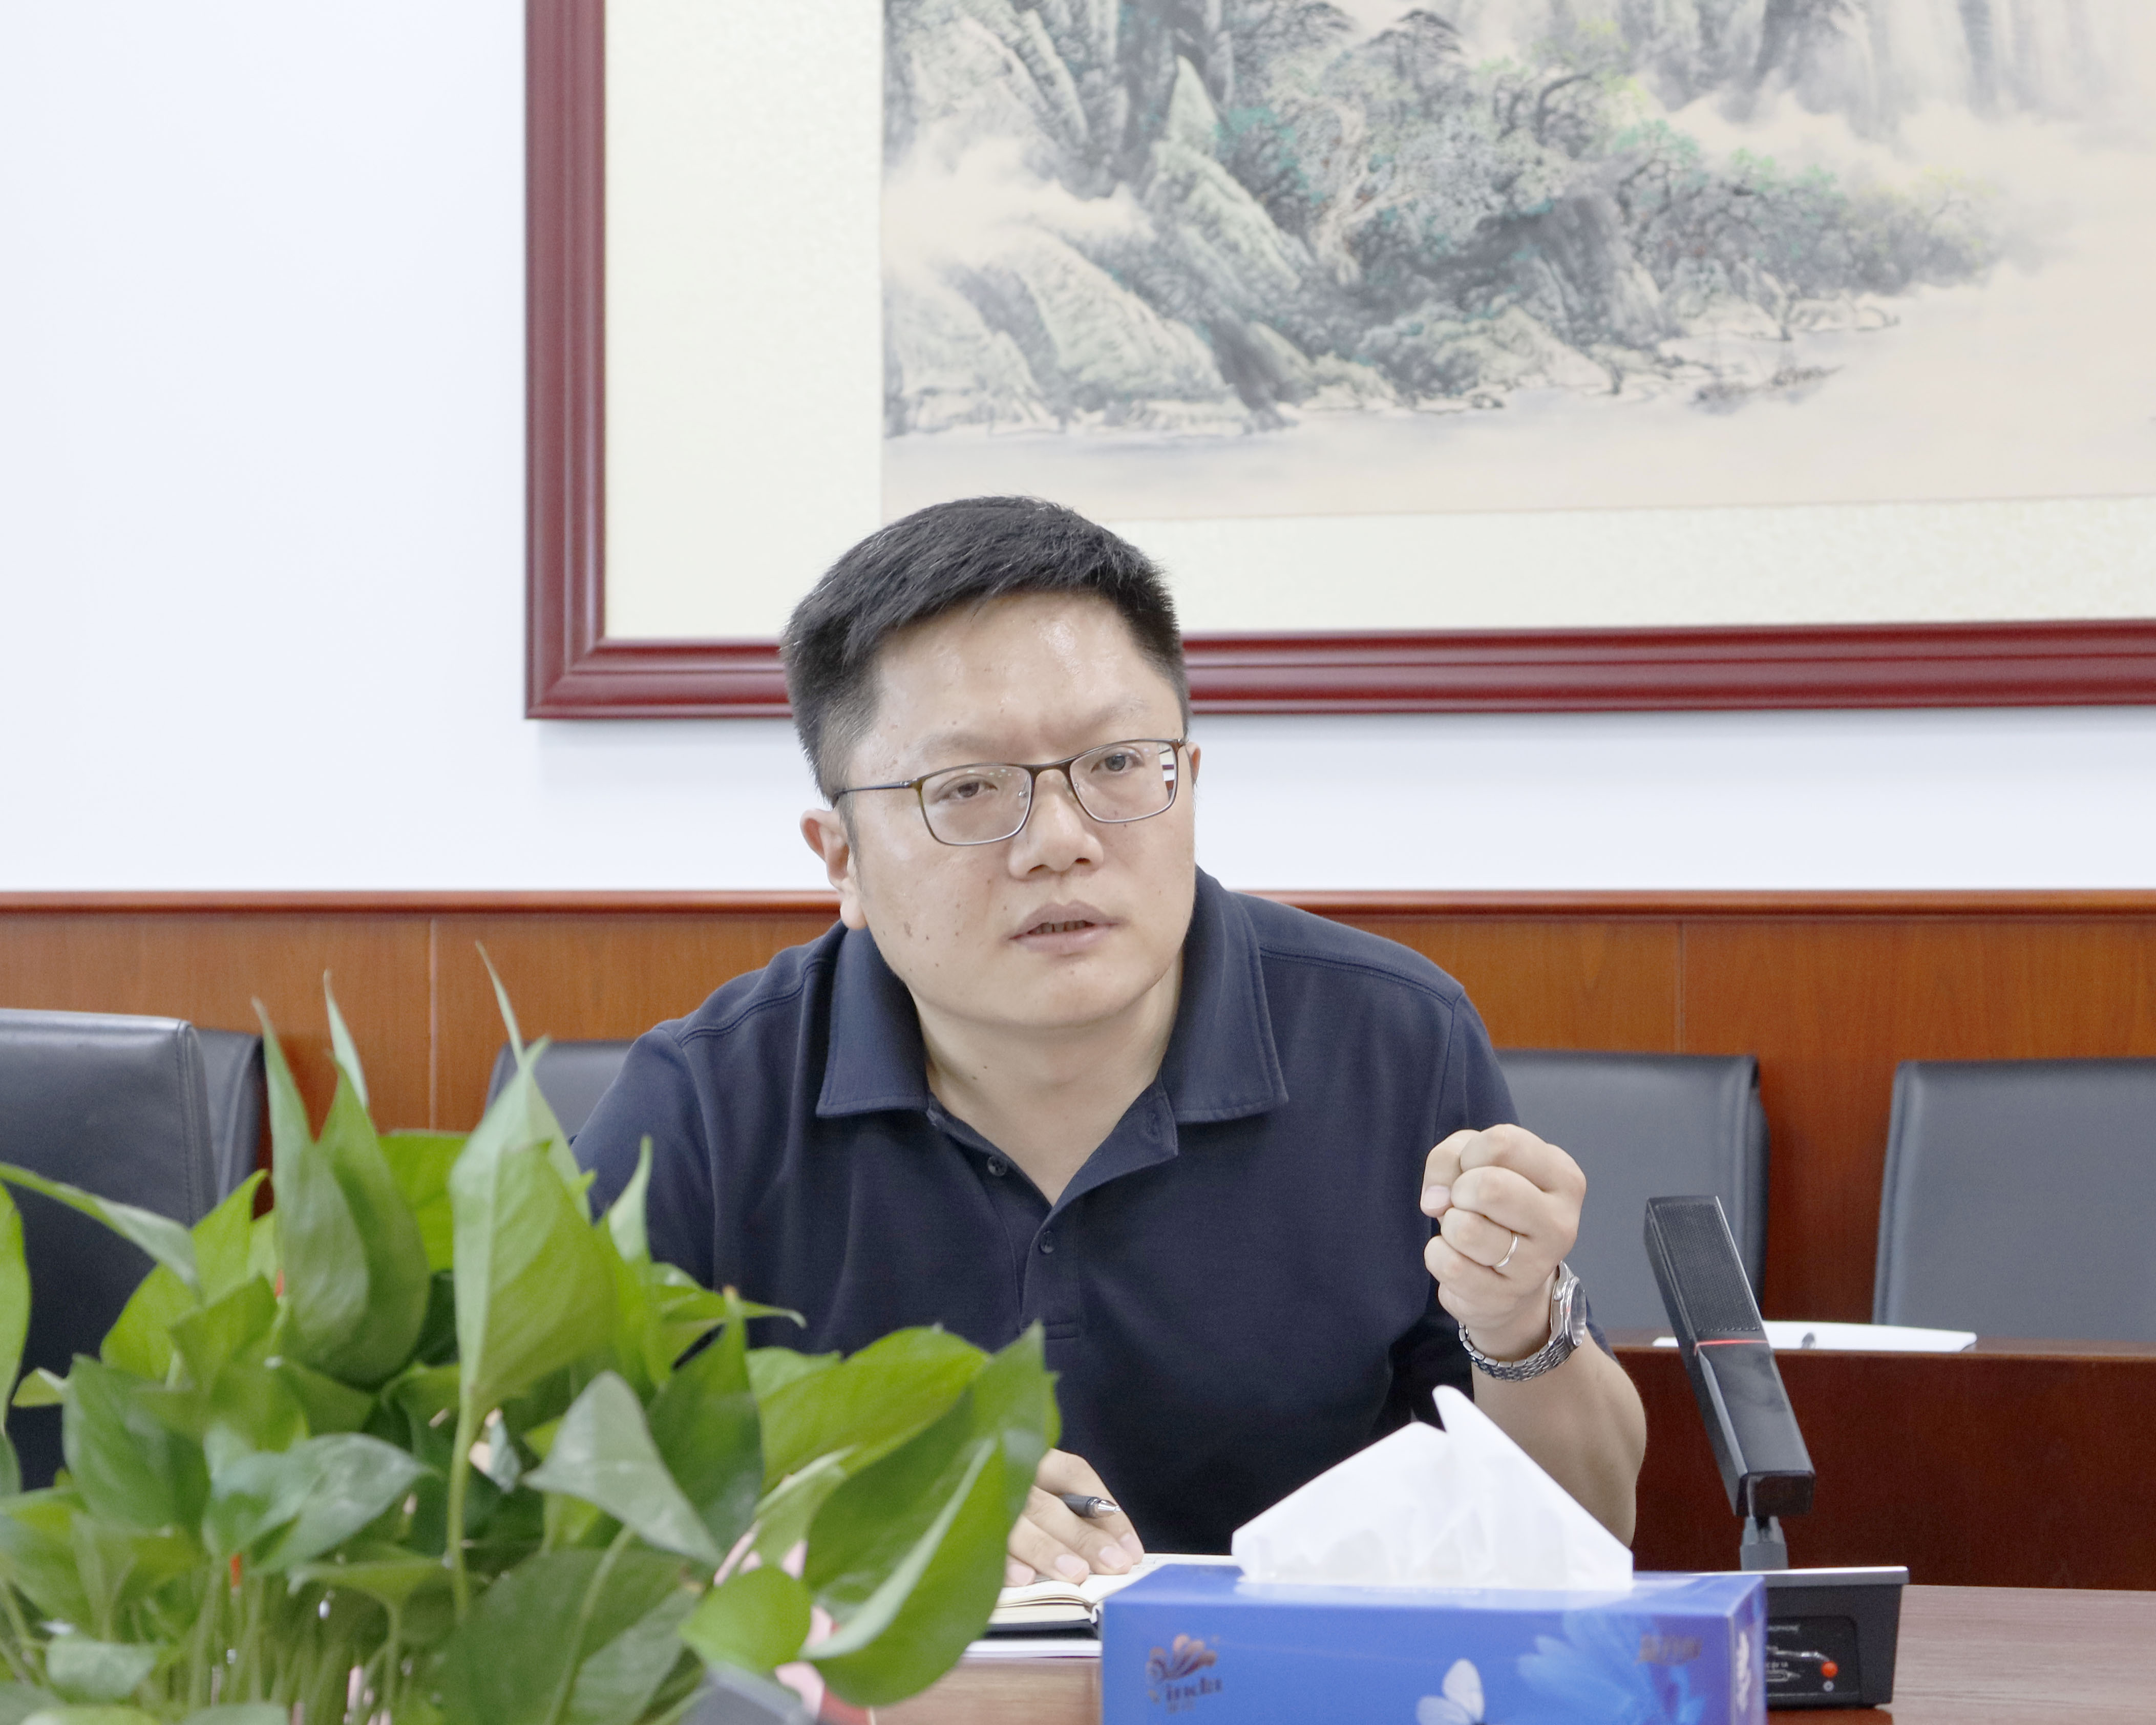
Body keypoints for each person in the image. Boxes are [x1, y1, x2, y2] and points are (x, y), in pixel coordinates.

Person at [575, 496, 1646, 1586]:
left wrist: (1518, 1326)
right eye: (968, 788)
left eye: (1118, 765)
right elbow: (517, 1491)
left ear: (1189, 780)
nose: (1060, 840)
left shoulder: (1391, 1041)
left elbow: (1591, 1531)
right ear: (841, 858)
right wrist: (837, 1509)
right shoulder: (706, 1101)